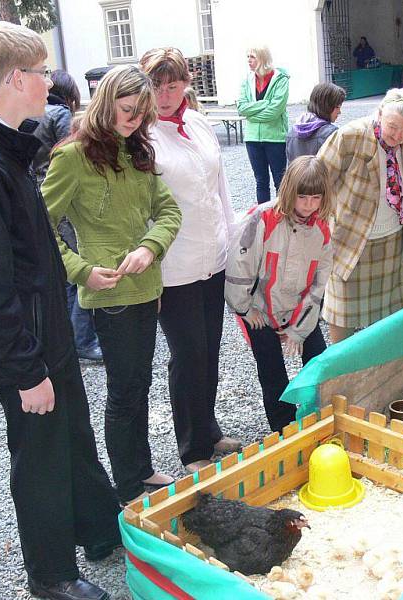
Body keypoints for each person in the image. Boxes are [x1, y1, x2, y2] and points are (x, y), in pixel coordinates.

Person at [0, 21, 121, 600]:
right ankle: (50, 573)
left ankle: (98, 530)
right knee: (40, 460)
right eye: (42, 72)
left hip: (48, 339)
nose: (50, 83)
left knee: (75, 439)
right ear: (16, 78)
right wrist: (25, 371)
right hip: (26, 351)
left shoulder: (8, 148)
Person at [41, 65, 182, 504]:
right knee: (124, 390)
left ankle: (140, 470)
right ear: (106, 103)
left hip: (147, 289)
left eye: (141, 113)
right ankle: (127, 485)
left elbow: (169, 212)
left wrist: (150, 248)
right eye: (126, 110)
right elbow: (39, 228)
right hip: (110, 295)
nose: (134, 119)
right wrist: (80, 270)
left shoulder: (138, 151)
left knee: (139, 383)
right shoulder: (72, 156)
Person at [139, 47, 242, 474]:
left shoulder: (199, 123)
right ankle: (192, 446)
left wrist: (233, 243)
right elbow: (143, 210)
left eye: (173, 84)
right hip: (174, 265)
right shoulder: (140, 136)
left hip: (212, 256)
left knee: (211, 350)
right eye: (156, 85)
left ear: (186, 84)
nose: (165, 94)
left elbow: (220, 191)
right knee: (188, 354)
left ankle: (210, 428)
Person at [225, 156, 332, 432]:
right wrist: (245, 308)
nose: (308, 205)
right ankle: (282, 427)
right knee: (272, 372)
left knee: (319, 360)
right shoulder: (262, 218)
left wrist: (299, 329)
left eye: (315, 198)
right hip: (260, 309)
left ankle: (316, 414)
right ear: (289, 191)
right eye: (302, 197)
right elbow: (240, 265)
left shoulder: (321, 228)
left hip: (298, 309)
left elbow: (319, 285)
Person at [317, 88, 403, 344]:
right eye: (393, 127)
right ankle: (342, 370)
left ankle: (381, 368)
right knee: (343, 317)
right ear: (379, 114)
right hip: (351, 240)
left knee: (389, 319)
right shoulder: (351, 135)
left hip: (391, 239)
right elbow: (317, 178)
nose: (399, 136)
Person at [32, 69, 103, 363]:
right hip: (66, 197)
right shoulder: (59, 115)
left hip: (40, 187)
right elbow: (76, 152)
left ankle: (70, 336)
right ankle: (83, 338)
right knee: (80, 270)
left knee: (64, 276)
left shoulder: (35, 113)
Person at [237, 45, 290, 204]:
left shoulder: (280, 79)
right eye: (248, 57)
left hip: (275, 138)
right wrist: (264, 104)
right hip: (253, 139)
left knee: (280, 182)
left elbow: (275, 110)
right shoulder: (247, 80)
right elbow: (241, 107)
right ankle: (263, 219)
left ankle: (283, 218)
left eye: (252, 57)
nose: (249, 60)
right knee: (261, 182)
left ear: (262, 58)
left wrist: (252, 114)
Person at [285, 81, 345, 163]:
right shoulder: (331, 133)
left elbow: (290, 168)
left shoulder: (292, 131)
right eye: (338, 107)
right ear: (327, 106)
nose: (339, 112)